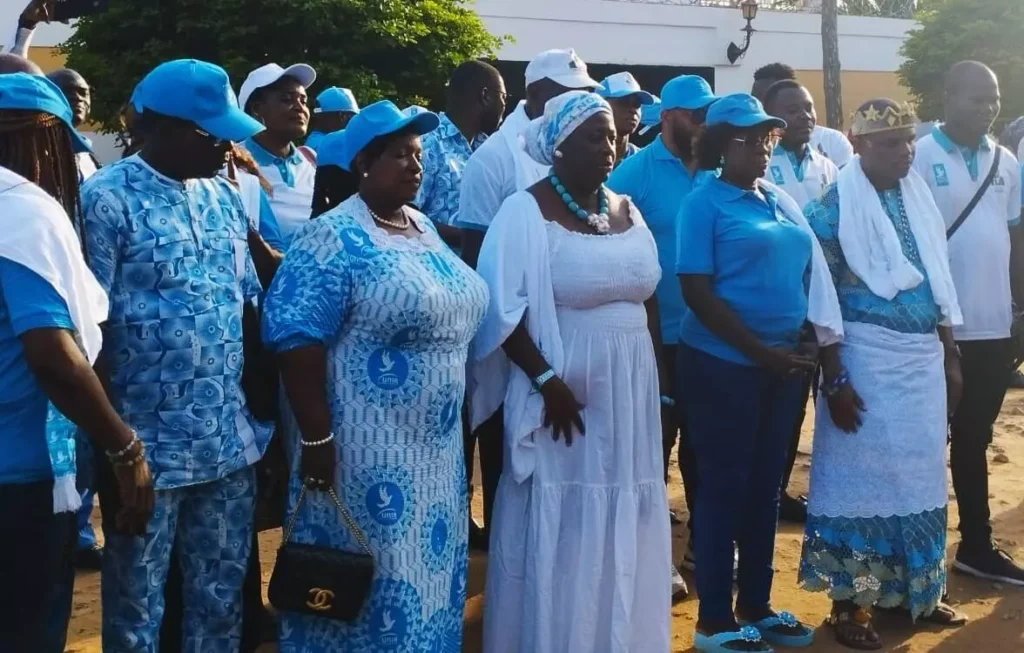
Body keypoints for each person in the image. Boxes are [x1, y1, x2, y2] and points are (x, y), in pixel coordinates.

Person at [262, 99, 488, 653]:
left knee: (429, 574)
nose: (415, 165)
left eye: (417, 154)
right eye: (398, 154)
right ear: (363, 162)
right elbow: (295, 340)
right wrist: (317, 437)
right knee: (375, 577)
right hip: (364, 450)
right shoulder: (331, 237)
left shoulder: (424, 227)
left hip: (435, 454)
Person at [80, 59, 272, 651]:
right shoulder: (105, 200)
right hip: (145, 453)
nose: (226, 145)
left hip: (226, 446)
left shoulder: (223, 196)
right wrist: (117, 449)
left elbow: (248, 306)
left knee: (219, 603)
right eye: (211, 132)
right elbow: (92, 333)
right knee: (137, 611)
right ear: (162, 128)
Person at [472, 90, 671, 653]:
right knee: (567, 509)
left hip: (630, 393)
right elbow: (500, 312)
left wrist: (657, 380)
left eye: (611, 135)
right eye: (593, 135)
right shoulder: (524, 211)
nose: (609, 146)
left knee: (622, 504)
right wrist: (545, 382)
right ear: (558, 147)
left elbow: (647, 297)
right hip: (563, 396)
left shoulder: (628, 208)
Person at [676, 93, 843, 653]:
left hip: (783, 367)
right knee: (725, 487)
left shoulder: (776, 197)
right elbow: (696, 292)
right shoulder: (704, 203)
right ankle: (714, 620)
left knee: (767, 490)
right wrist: (761, 352)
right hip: (724, 368)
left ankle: (757, 605)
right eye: (751, 139)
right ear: (722, 145)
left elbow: (805, 270)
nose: (764, 148)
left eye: (768, 139)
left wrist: (801, 341)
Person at [801, 98, 968, 649]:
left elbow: (937, 283)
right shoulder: (830, 211)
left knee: (918, 483)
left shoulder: (916, 198)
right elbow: (821, 306)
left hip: (921, 365)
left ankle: (912, 597)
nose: (905, 151)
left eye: (908, 140)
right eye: (890, 142)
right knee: (865, 492)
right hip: (865, 365)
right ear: (857, 144)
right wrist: (835, 380)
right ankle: (855, 605)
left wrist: (950, 352)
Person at [0, 72, 154, 653]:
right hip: (21, 477)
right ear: (40, 139)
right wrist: (123, 445)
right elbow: (53, 354)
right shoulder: (20, 211)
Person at [456, 47, 598, 550]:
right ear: (535, 94)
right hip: (512, 339)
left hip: (576, 337)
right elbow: (476, 262)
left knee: (562, 459)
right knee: (507, 455)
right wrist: (526, 355)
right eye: (565, 96)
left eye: (583, 97)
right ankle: (507, 572)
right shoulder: (493, 159)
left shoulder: (585, 146)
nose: (576, 107)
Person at [914, 61, 1024, 586]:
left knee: (975, 438)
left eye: (994, 99)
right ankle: (917, 548)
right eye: (976, 98)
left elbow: (1015, 240)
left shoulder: (1007, 161)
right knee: (925, 439)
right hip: (935, 330)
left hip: (995, 327)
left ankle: (975, 545)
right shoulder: (918, 156)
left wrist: (1019, 310)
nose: (987, 108)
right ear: (948, 96)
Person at [607, 73, 718, 595]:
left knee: (705, 444)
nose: (703, 122)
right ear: (669, 115)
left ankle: (703, 542)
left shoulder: (718, 170)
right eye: (695, 113)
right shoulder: (635, 172)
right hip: (656, 334)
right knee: (655, 442)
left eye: (707, 114)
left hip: (712, 331)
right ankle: (655, 554)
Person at [760, 78, 840, 525]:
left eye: (808, 109)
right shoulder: (762, 166)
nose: (805, 117)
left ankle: (780, 488)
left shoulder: (827, 168)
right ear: (772, 118)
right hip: (780, 304)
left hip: (821, 304)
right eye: (792, 110)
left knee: (807, 406)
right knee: (777, 405)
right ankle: (764, 490)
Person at [42, 64, 106, 569]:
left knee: (77, 438)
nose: (79, 99)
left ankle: (77, 532)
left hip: (80, 307)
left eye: (83, 92)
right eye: (69, 92)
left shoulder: (86, 162)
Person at [416, 60, 505, 252]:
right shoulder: (429, 144)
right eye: (503, 97)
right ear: (485, 96)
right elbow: (404, 214)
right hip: (436, 273)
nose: (504, 105)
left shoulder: (490, 149)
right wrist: (472, 238)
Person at [239, 62, 318, 246]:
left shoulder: (311, 160)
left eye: (303, 101)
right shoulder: (232, 164)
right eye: (287, 99)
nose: (300, 108)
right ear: (257, 109)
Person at [752, 63, 854, 168]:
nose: (757, 104)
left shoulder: (832, 142)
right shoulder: (754, 154)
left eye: (808, 108)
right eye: (754, 97)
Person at [596, 71, 655, 166]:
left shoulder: (645, 162)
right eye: (623, 102)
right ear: (601, 105)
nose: (633, 110)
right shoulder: (580, 159)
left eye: (637, 104)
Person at [304, 86, 359, 152]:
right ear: (342, 116)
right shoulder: (333, 147)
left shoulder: (314, 142)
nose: (355, 121)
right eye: (352, 117)